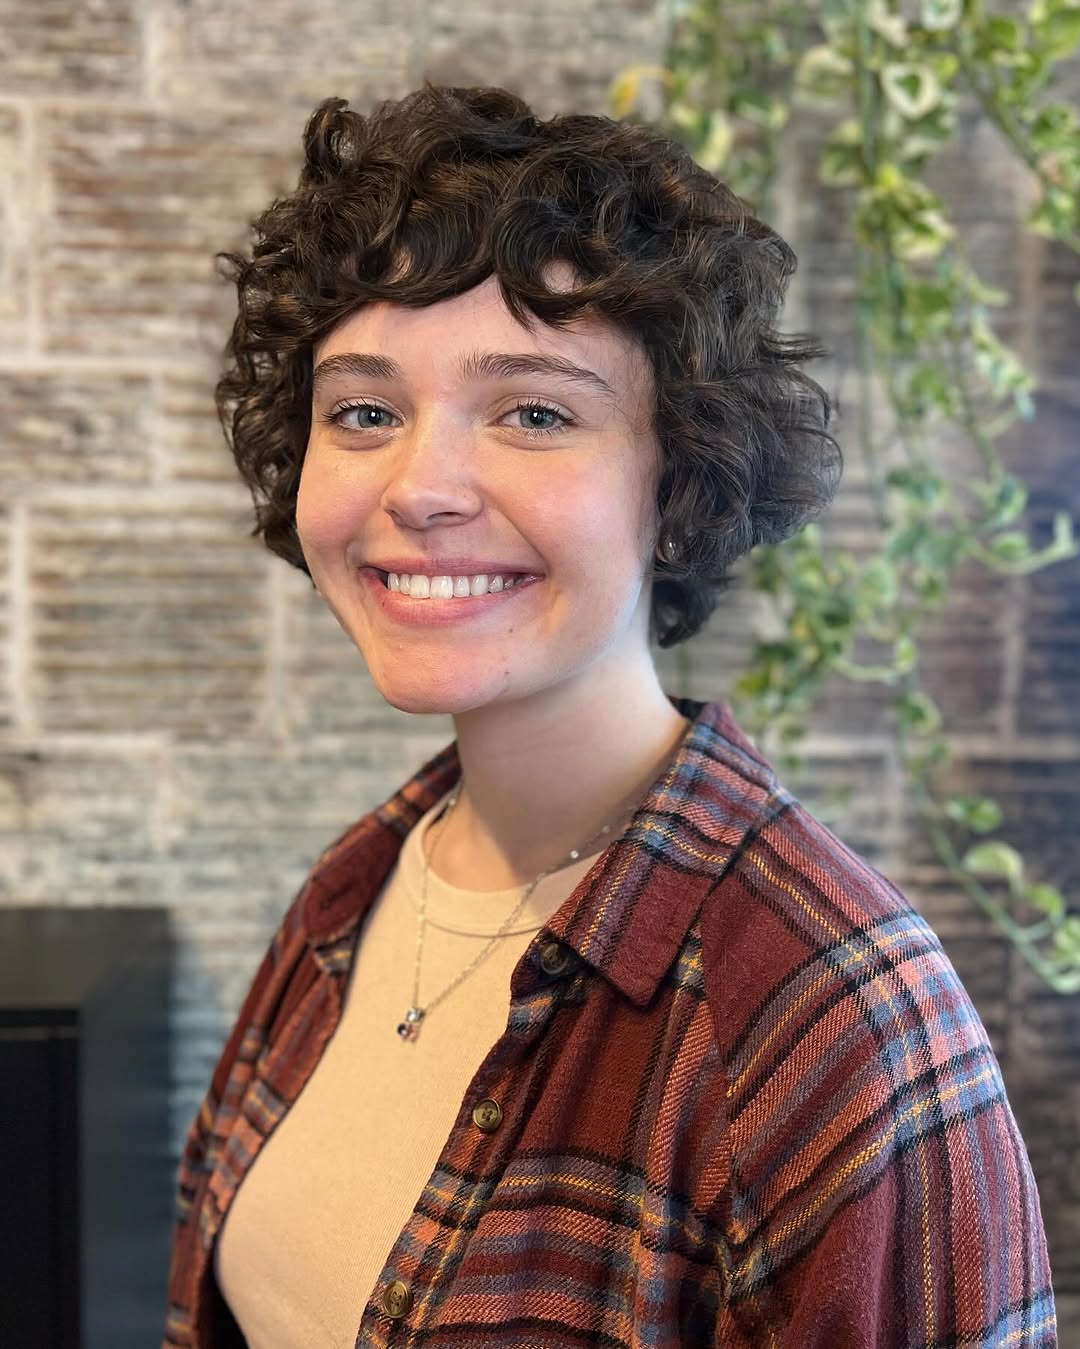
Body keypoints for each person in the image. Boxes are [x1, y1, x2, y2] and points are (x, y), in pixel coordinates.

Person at [161, 84, 1056, 1348]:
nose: (419, 486)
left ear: (679, 477)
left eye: (534, 410)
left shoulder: (830, 1013)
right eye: (364, 409)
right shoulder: (353, 897)